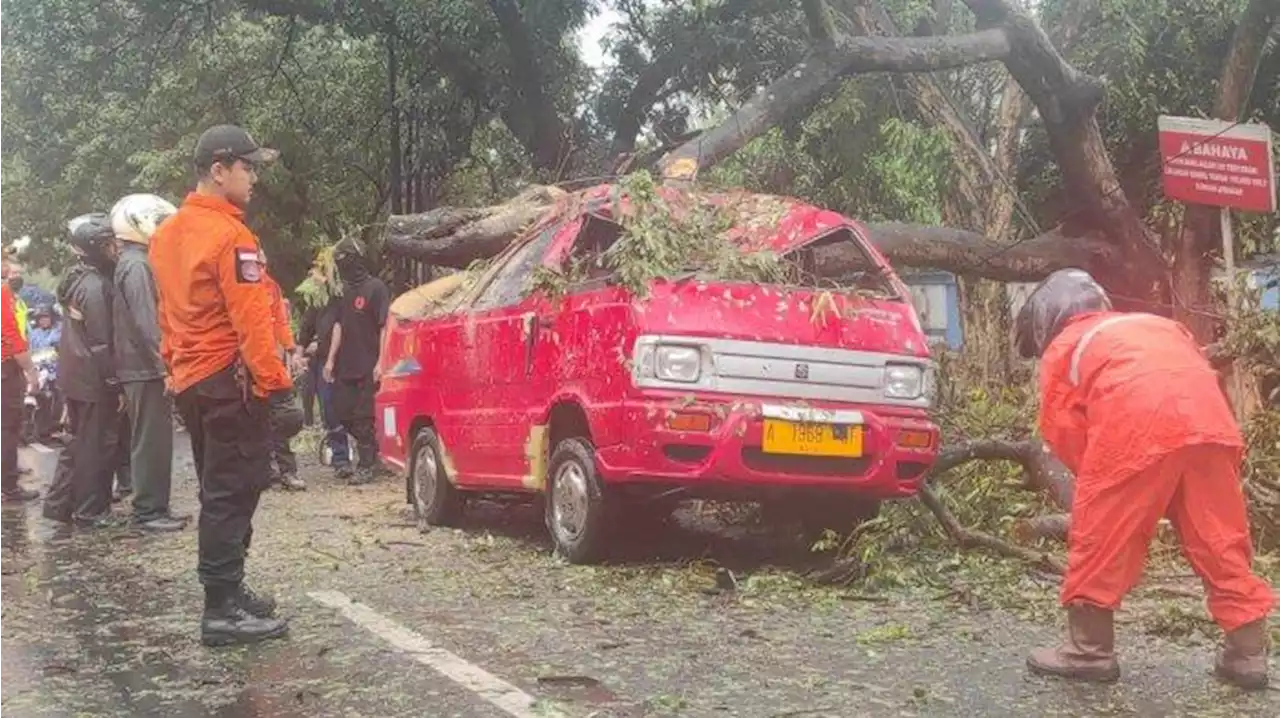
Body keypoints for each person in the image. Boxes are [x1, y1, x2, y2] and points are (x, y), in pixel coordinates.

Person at [1014, 268, 1274, 690]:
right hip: (1210, 423)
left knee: (1099, 535)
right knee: (1220, 539)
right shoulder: (1158, 325)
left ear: (1050, 317)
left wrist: (1106, 487)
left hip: (1134, 426)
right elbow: (1192, 376)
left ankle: (1089, 650)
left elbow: (1063, 430)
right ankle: (1247, 653)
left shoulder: (1067, 346)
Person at [150, 124, 301, 647]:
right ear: (219, 170)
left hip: (193, 380)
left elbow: (166, 316)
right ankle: (221, 608)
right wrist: (278, 388)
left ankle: (230, 591)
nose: (254, 176)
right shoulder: (232, 236)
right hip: (229, 381)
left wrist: (175, 368)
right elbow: (252, 322)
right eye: (247, 166)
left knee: (226, 486)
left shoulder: (167, 234)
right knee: (232, 490)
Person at [108, 193, 187, 531]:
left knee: (154, 438)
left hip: (141, 366)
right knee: (150, 439)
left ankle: (156, 506)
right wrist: (165, 365)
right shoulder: (137, 265)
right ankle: (148, 511)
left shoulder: (133, 261)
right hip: (144, 368)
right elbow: (147, 323)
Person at [42, 214, 123, 528]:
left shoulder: (76, 278)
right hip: (92, 378)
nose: (114, 250)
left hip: (74, 375)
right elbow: (102, 341)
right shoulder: (95, 286)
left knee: (77, 443)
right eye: (108, 245)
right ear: (94, 248)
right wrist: (113, 382)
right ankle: (91, 511)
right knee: (95, 446)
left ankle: (58, 506)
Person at [323, 238, 389, 485]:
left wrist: (381, 362)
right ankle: (374, 450)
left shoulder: (377, 288)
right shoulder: (345, 292)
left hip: (368, 363)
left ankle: (366, 464)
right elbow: (339, 325)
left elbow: (384, 327)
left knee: (364, 416)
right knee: (341, 411)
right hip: (345, 365)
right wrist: (330, 359)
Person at [297, 267, 351, 477]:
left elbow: (338, 328)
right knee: (327, 408)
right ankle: (339, 457)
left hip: (338, 361)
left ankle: (343, 457)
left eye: (316, 281)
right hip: (320, 362)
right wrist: (298, 354)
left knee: (335, 408)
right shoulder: (315, 306)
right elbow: (305, 329)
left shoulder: (337, 299)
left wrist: (329, 360)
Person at [261, 251, 306, 492]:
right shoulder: (235, 284)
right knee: (254, 420)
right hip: (245, 364)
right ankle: (265, 471)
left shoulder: (271, 287)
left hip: (272, 363)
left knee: (287, 416)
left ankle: (287, 470)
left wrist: (291, 349)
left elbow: (280, 322)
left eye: (261, 262)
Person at [0, 255, 40, 505]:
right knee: (7, 428)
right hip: (5, 369)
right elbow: (10, 334)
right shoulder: (1, 292)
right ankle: (8, 486)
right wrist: (31, 372)